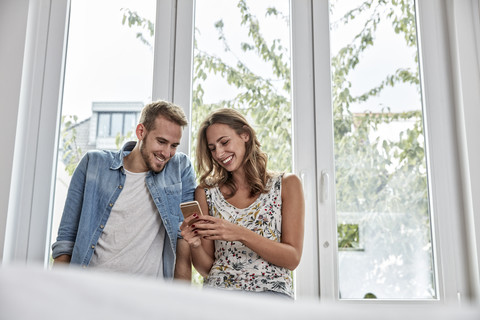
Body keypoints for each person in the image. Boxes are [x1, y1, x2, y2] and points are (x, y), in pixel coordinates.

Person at [52, 100, 196, 281]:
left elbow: (184, 238)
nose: (167, 153)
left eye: (174, 145)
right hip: (90, 290)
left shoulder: (180, 168)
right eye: (161, 141)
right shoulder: (93, 164)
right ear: (141, 132)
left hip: (147, 299)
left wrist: (180, 303)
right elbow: (66, 241)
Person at [180, 108, 305, 299]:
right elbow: (207, 269)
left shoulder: (286, 184)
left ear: (245, 135)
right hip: (219, 296)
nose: (219, 153)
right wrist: (195, 244)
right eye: (213, 148)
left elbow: (292, 258)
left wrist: (239, 233)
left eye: (224, 142)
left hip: (271, 295)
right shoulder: (206, 193)